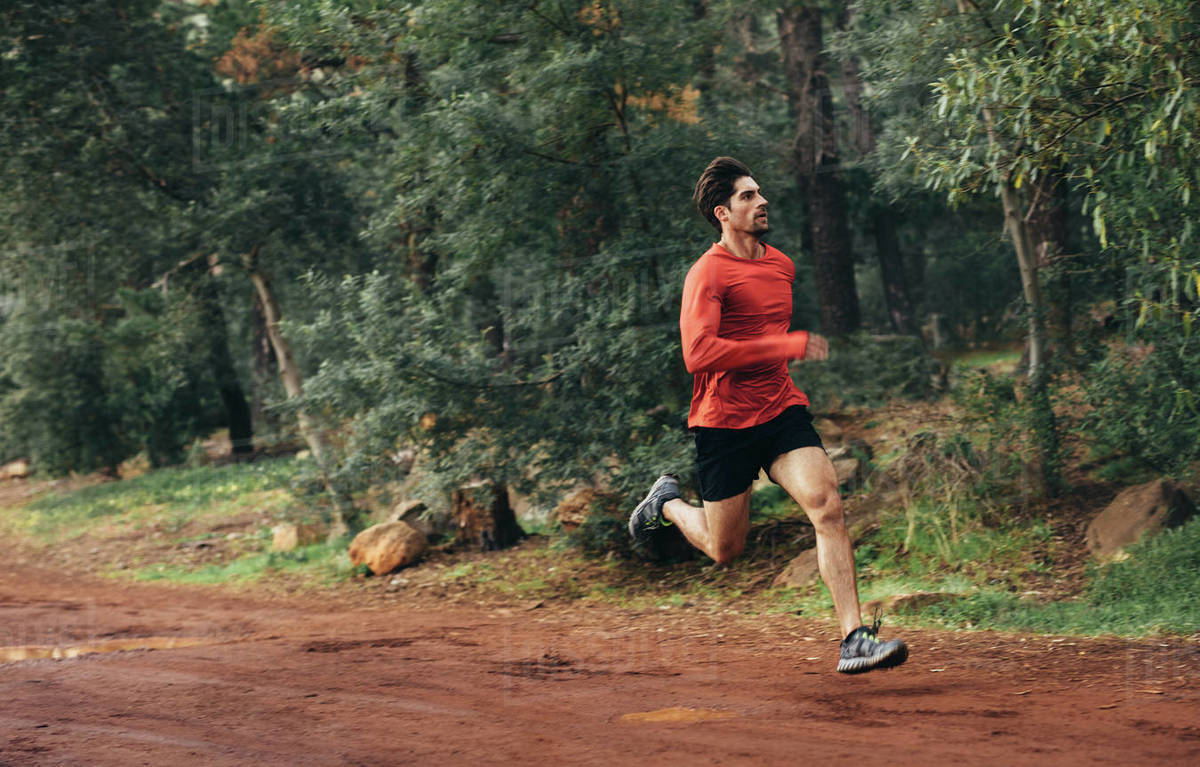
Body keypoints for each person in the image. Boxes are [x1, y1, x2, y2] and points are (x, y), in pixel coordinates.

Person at [628, 156, 908, 674]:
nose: (762, 202)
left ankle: (854, 638)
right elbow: (699, 355)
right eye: (748, 197)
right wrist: (781, 344)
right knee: (723, 549)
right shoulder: (707, 273)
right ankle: (666, 503)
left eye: (760, 193)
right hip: (723, 424)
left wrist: (780, 352)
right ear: (723, 213)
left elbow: (763, 342)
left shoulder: (781, 265)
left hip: (780, 411)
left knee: (827, 507)